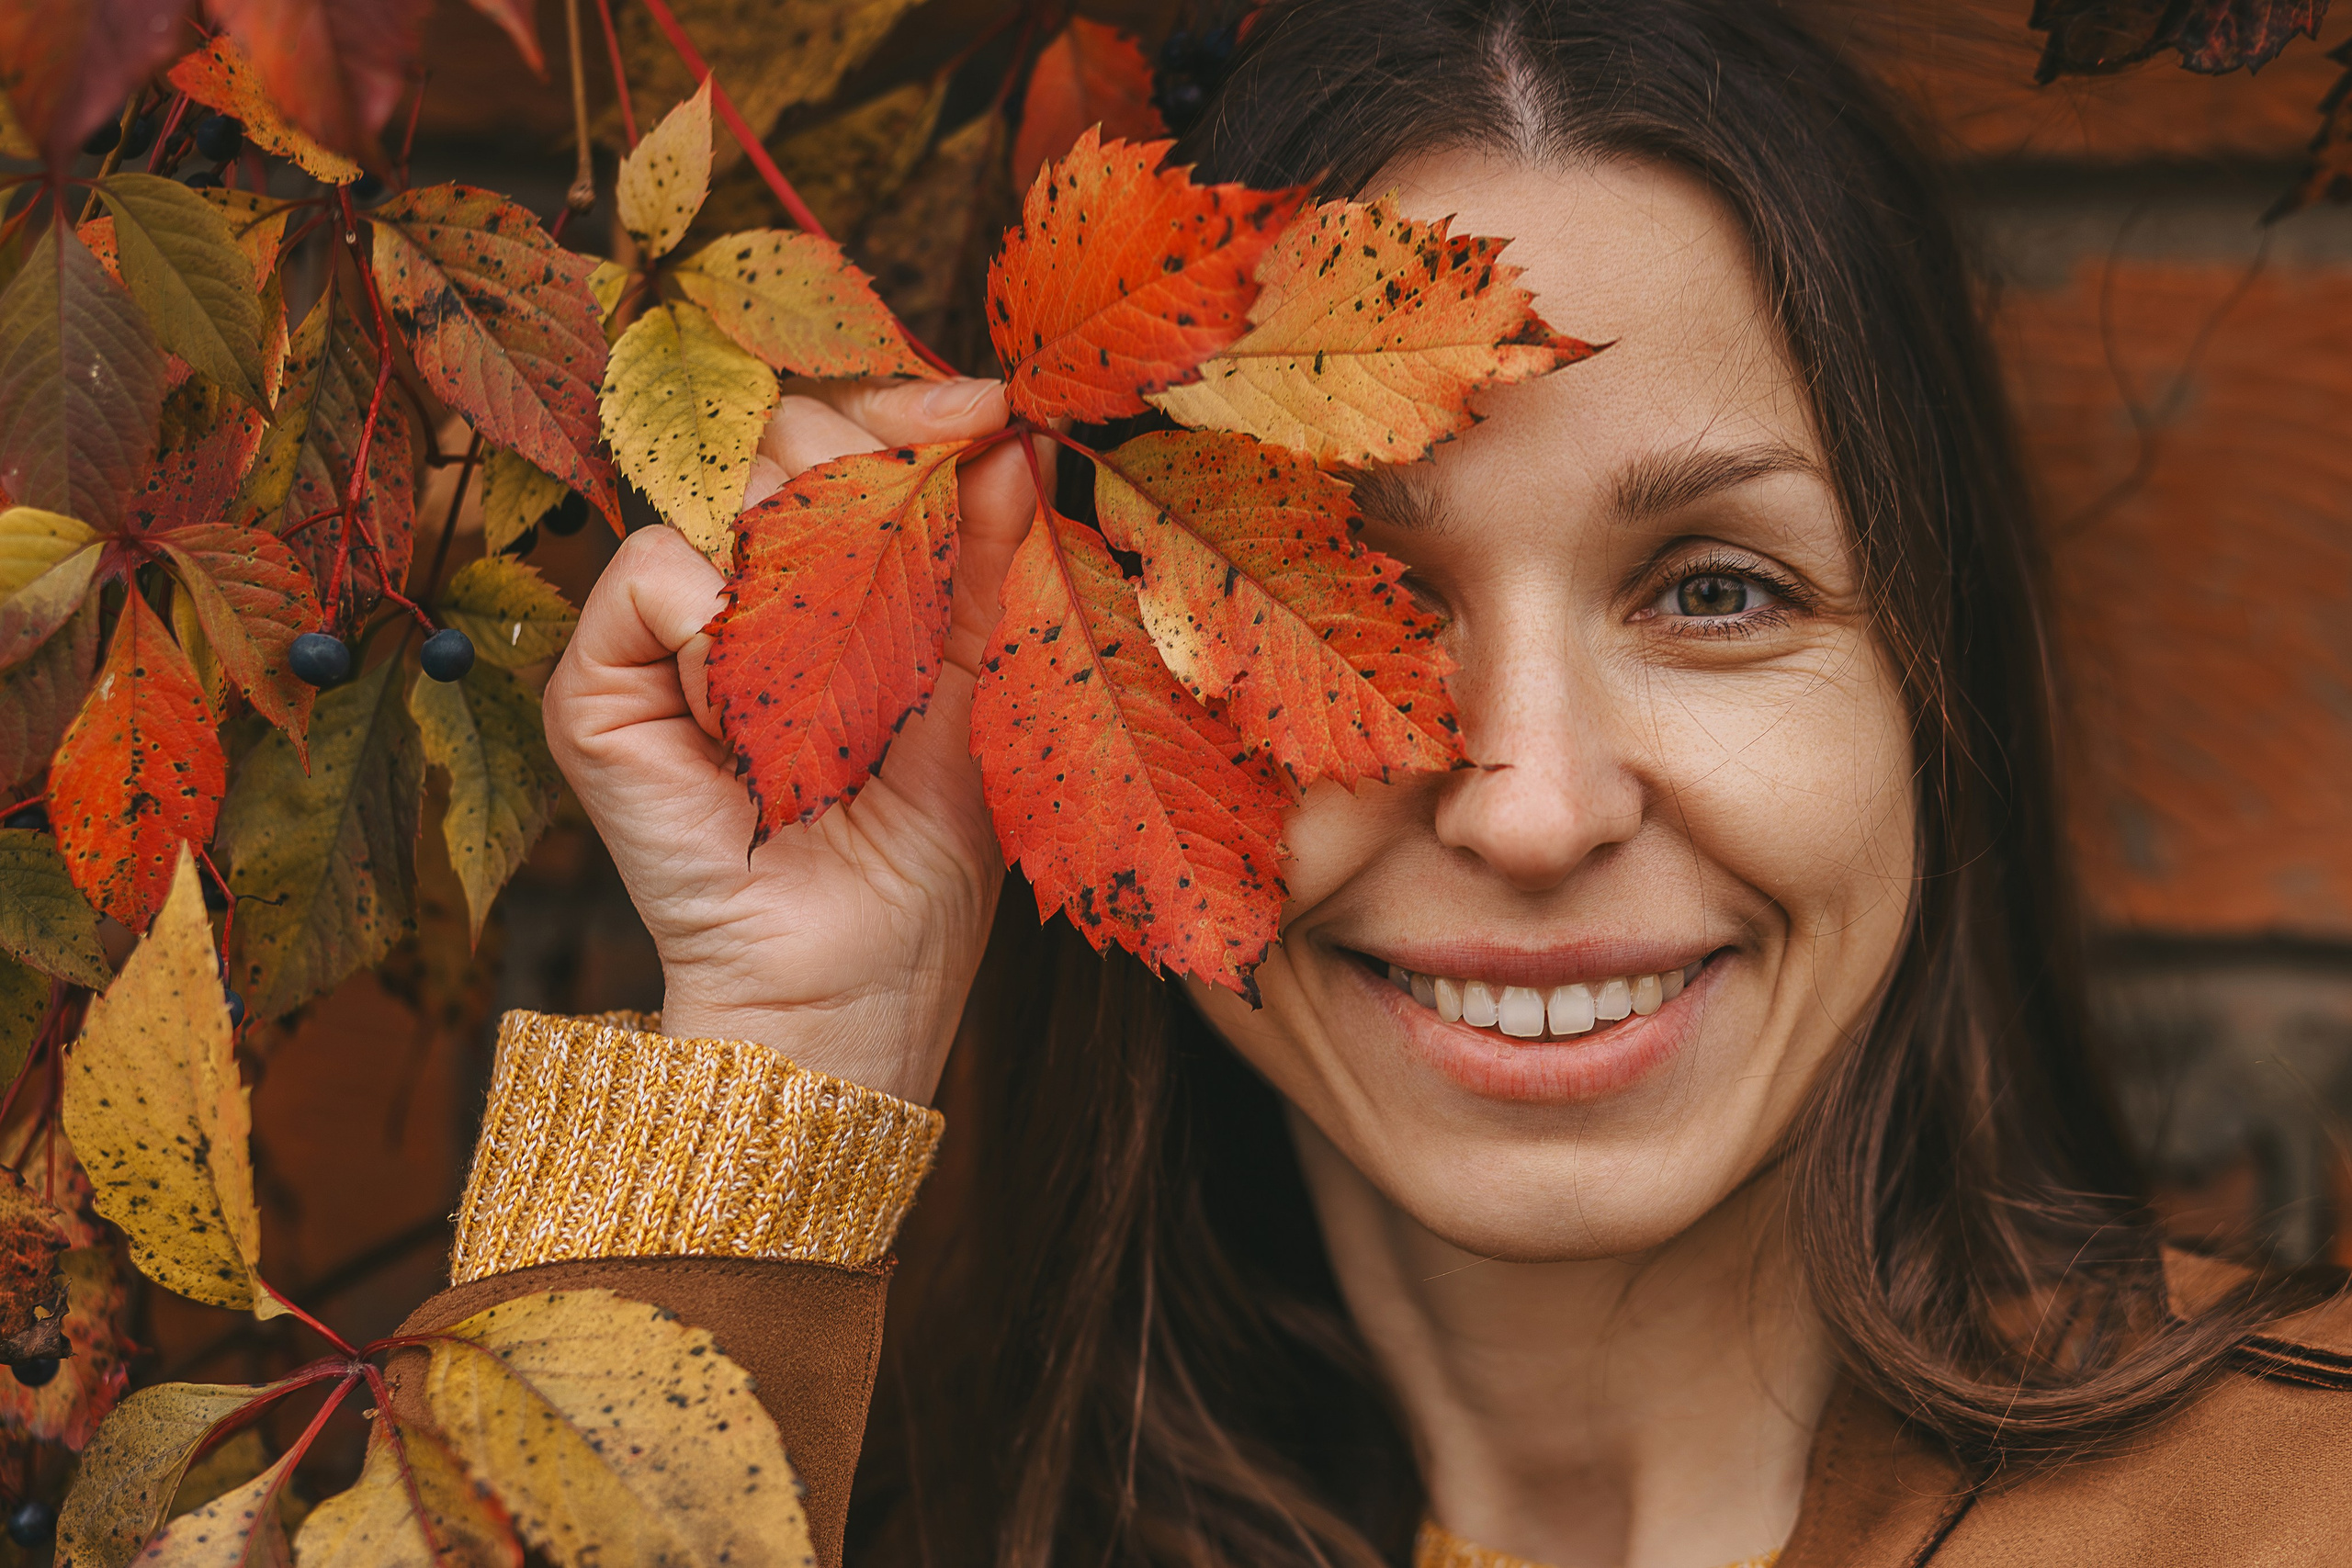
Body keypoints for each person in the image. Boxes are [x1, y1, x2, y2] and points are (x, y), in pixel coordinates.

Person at [407, 1, 2352, 1563]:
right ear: (1081, 689)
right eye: (1328, 591)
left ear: (1931, 687)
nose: (1526, 805)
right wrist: (788, 1044)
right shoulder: (847, 1513)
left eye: (1710, 590)